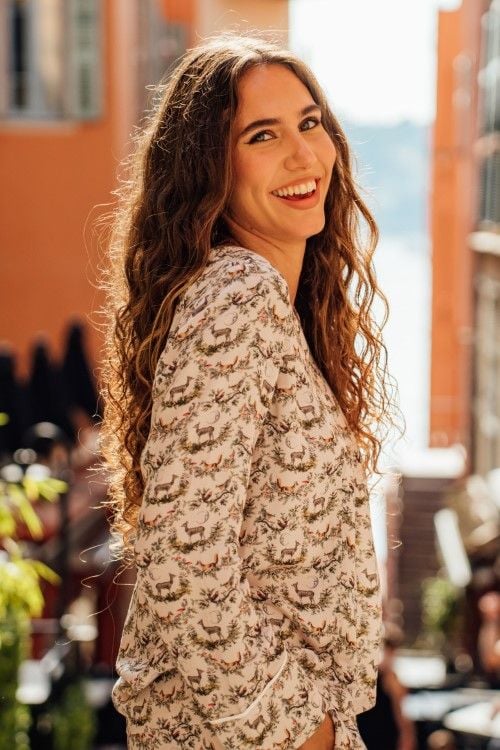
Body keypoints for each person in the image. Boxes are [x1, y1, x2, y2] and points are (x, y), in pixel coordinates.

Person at [100, 33, 397, 750]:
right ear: (209, 169)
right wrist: (303, 732)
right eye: (262, 135)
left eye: (309, 123)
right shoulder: (238, 294)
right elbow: (183, 560)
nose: (303, 156)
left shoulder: (270, 305)